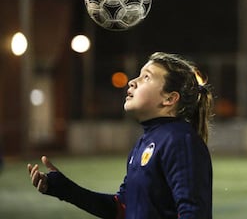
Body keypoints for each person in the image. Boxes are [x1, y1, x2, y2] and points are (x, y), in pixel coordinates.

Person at [28, 52, 215, 219]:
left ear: (169, 99)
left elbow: (194, 212)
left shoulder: (180, 140)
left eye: (146, 77)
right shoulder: (145, 142)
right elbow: (121, 208)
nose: (132, 81)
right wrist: (65, 189)